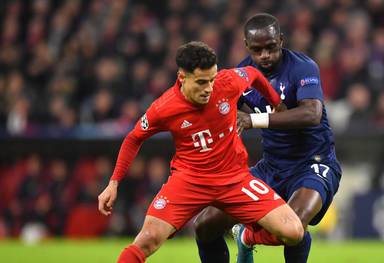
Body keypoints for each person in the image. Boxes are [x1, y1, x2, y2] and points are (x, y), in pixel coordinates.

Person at [97, 41, 304, 263]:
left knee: (294, 232)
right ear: (182, 77)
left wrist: (276, 102)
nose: (209, 88)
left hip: (235, 179)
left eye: (212, 80)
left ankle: (246, 238)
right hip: (189, 181)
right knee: (147, 239)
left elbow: (253, 74)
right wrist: (114, 182)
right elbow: (133, 138)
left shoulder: (227, 83)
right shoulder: (164, 108)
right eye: (201, 82)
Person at [194, 13, 342, 263]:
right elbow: (219, 113)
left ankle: (246, 237)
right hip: (271, 167)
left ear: (281, 40)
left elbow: (312, 113)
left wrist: (253, 120)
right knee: (205, 224)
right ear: (247, 47)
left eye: (271, 47)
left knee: (292, 227)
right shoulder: (240, 75)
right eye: (257, 49)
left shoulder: (303, 67)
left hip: (313, 163)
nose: (265, 55)